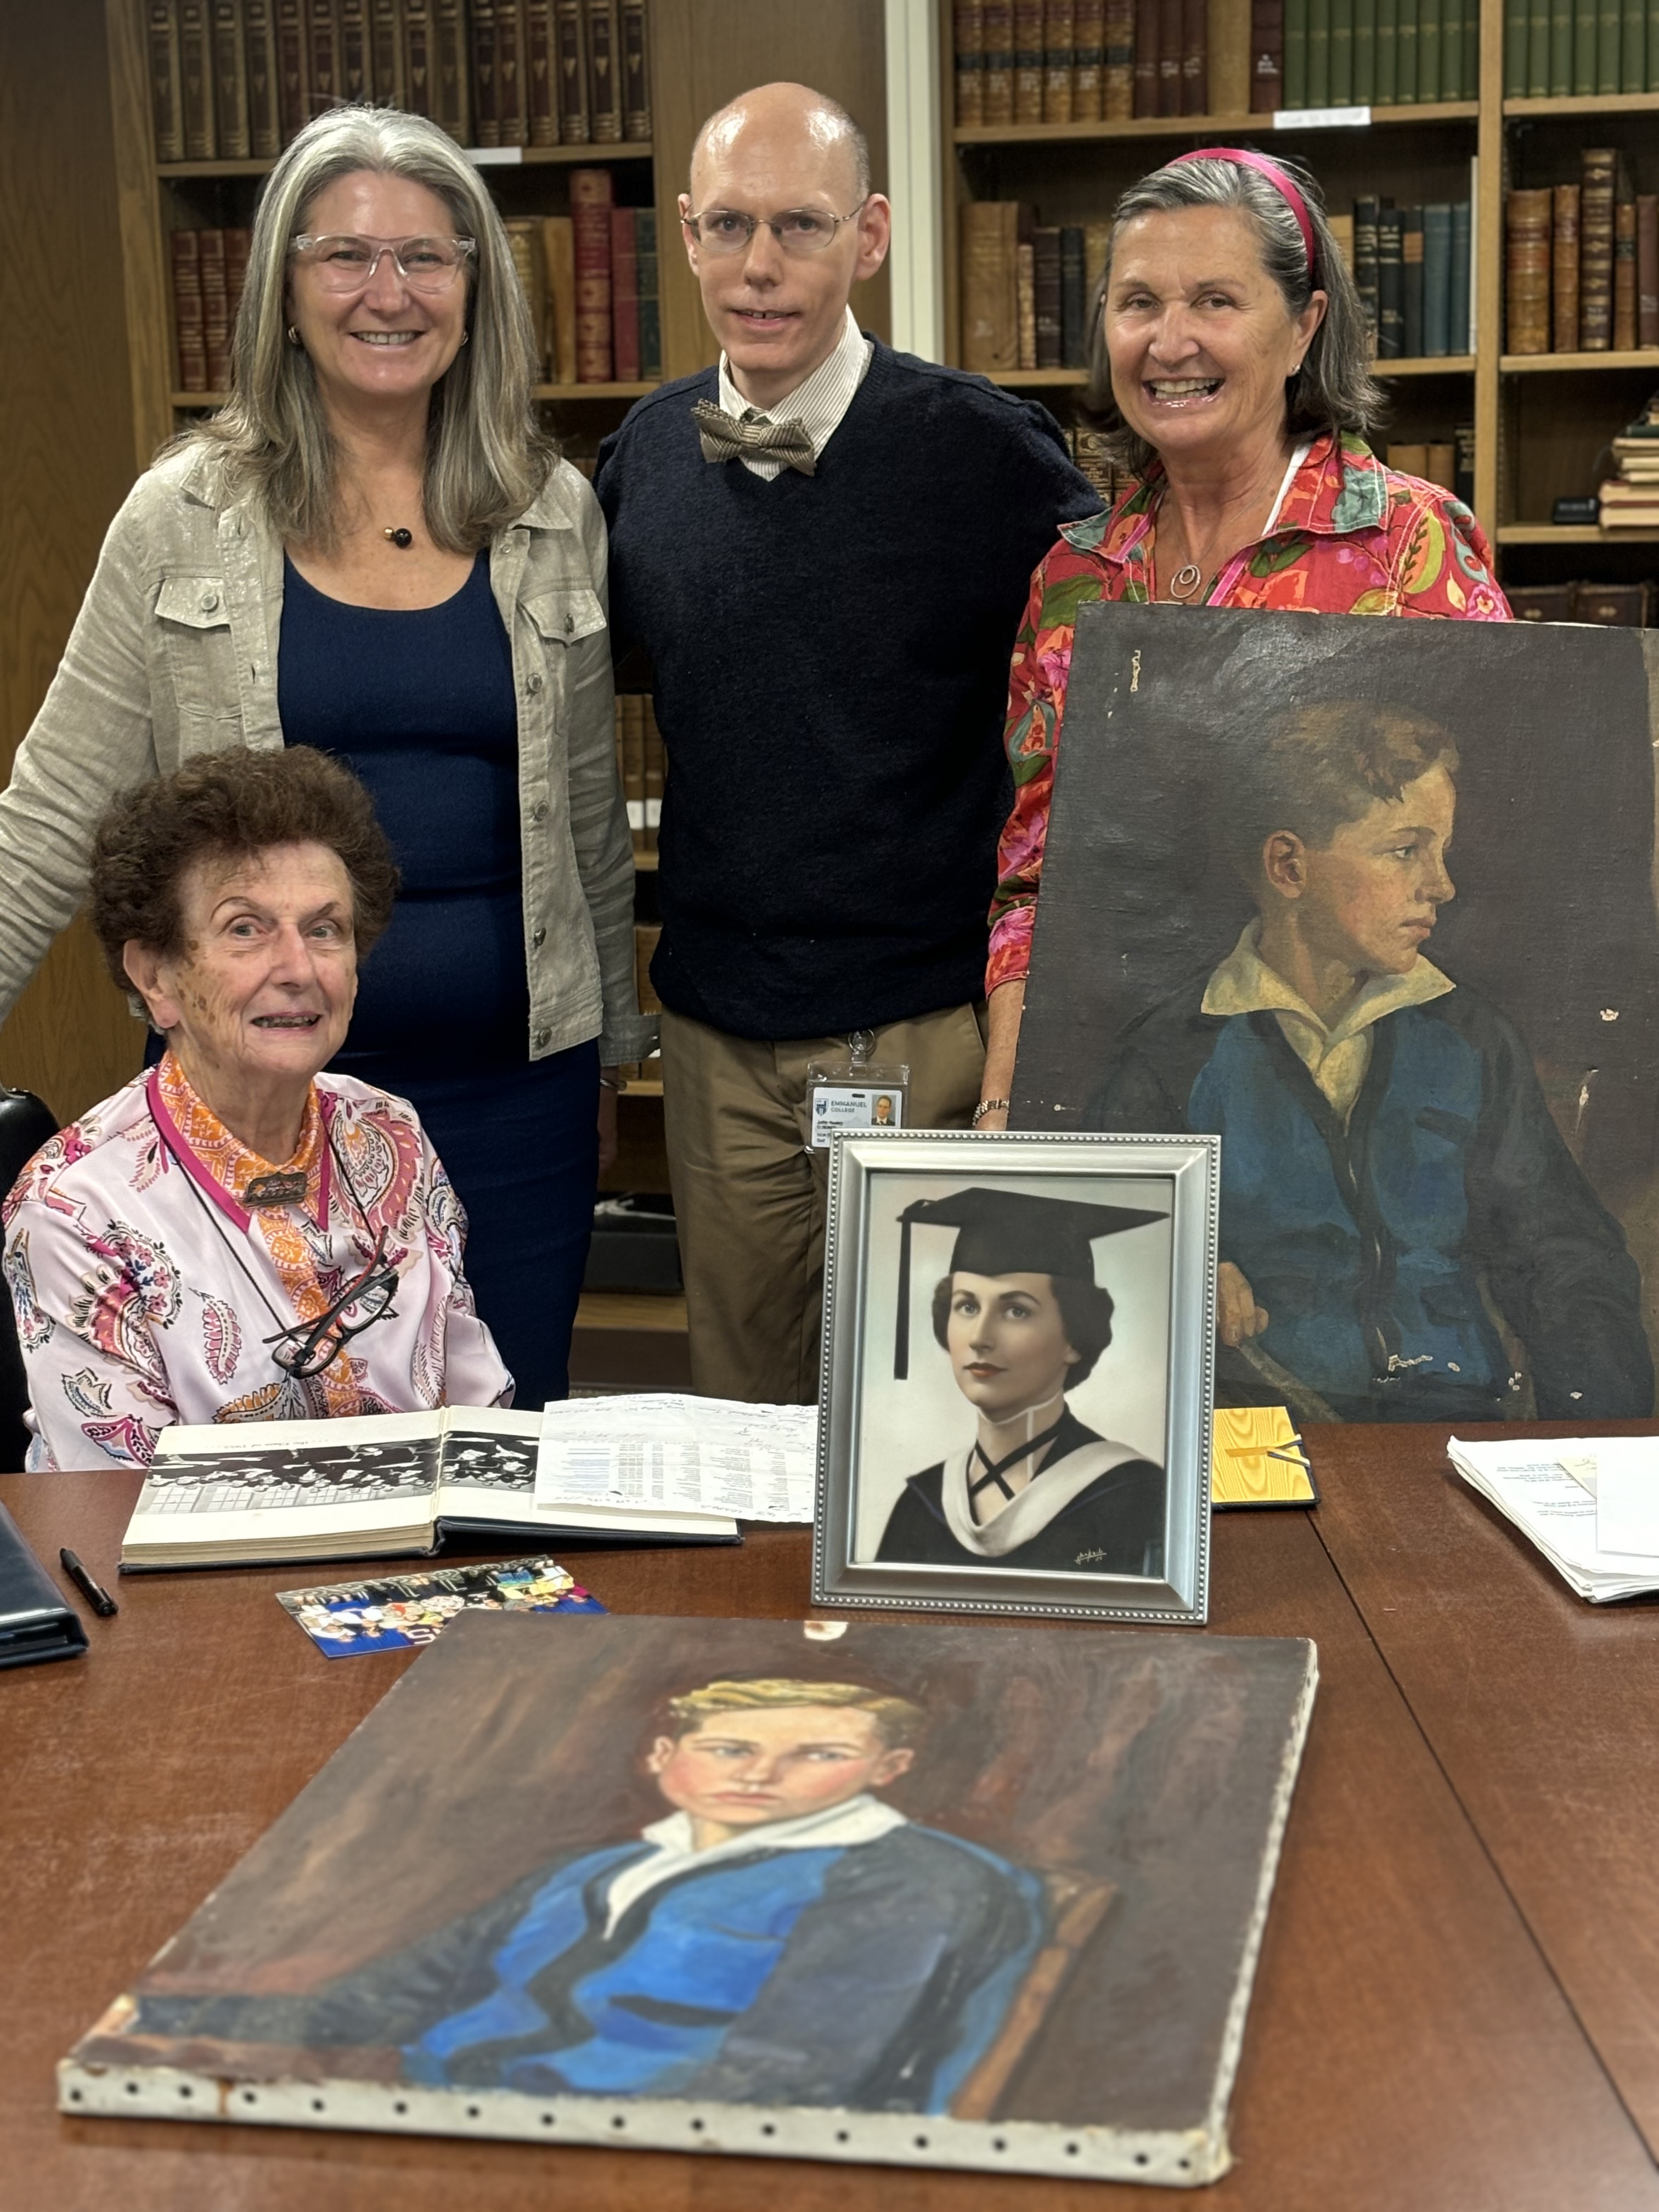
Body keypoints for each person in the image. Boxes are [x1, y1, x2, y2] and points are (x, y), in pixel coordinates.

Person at [0, 106, 652, 1408]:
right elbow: (48, 814)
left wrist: (610, 1056)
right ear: (283, 293)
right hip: (253, 1104)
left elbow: (586, 814)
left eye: (427, 257)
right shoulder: (182, 516)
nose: (388, 293)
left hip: (514, 1102)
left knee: (500, 1459)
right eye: (344, 257)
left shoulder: (548, 508)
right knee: (261, 1475)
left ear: (478, 287)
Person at [595, 82, 1099, 1404]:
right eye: (730, 226)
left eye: (803, 227)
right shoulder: (642, 460)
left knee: (935, 1404)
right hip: (717, 1040)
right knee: (743, 1411)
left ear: (870, 236)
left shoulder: (985, 453)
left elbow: (1125, 661)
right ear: (690, 239)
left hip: (926, 1033)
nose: (761, 267)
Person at [977, 148, 1511, 1131]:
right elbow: (1031, 884)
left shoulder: (1407, 546)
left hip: (1358, 1096)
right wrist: (1007, 1099)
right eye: (1137, 303)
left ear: (1303, 325)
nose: (1168, 342)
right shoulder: (1071, 580)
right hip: (1121, 1082)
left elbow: (1473, 856)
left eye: (1214, 301)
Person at [1084, 704, 1652, 1423]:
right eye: (1406, 849)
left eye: (1441, 851)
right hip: (1255, 1439)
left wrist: (1605, 1445)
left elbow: (1567, 1261)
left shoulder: (1469, 1037)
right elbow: (1091, 1260)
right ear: (1289, 866)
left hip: (1451, 1436)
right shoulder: (1170, 1056)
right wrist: (1173, 1269)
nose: (1441, 885)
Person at [130, 1676, 1046, 2113]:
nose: (761, 1774)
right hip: (457, 2120)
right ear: (662, 1759)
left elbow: (788, 2079)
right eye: (729, 1747)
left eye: (817, 1753)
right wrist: (146, 2021)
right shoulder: (594, 1872)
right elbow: (382, 2002)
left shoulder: (915, 1880)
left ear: (888, 1769)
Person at [2, 747, 511, 1470]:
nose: (299, 969)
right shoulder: (75, 1208)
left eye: (325, 929)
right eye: (247, 929)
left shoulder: (389, 1135)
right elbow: (120, 1503)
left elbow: (475, 1405)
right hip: (186, 1572)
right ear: (157, 975)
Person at [876, 1188, 1167, 1573]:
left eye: (1016, 1310)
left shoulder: (1135, 1496)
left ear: (1075, 1338)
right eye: (967, 1306)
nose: (980, 1337)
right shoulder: (921, 1504)